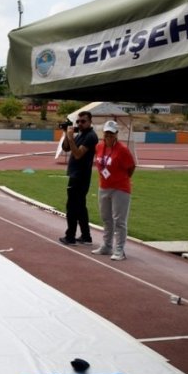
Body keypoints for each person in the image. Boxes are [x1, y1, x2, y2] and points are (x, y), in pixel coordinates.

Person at [90, 120, 136, 261]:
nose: (108, 135)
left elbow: (131, 167)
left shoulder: (122, 150)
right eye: (106, 132)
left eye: (111, 133)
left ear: (116, 134)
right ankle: (107, 245)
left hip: (120, 189)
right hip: (103, 187)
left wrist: (121, 179)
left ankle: (119, 249)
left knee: (119, 220)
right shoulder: (99, 147)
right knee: (106, 218)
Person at [59, 110, 98, 245]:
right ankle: (86, 236)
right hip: (77, 175)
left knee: (72, 207)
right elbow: (66, 148)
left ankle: (70, 236)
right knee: (81, 207)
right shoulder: (81, 135)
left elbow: (77, 154)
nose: (80, 124)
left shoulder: (91, 136)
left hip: (80, 177)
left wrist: (70, 137)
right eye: (78, 121)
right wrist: (66, 133)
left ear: (90, 122)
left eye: (83, 121)